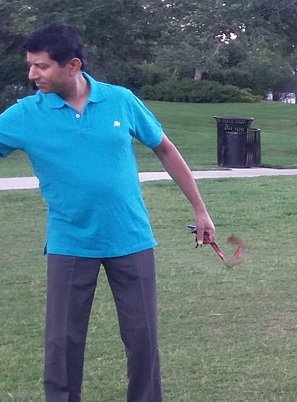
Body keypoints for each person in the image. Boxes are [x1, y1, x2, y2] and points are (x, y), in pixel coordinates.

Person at [0, 23, 216, 401]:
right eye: (30, 65)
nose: (32, 74)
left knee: (142, 338)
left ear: (73, 65)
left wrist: (201, 209)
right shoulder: (24, 115)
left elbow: (164, 148)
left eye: (42, 66)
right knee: (62, 343)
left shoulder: (120, 100)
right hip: (70, 241)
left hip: (130, 237)